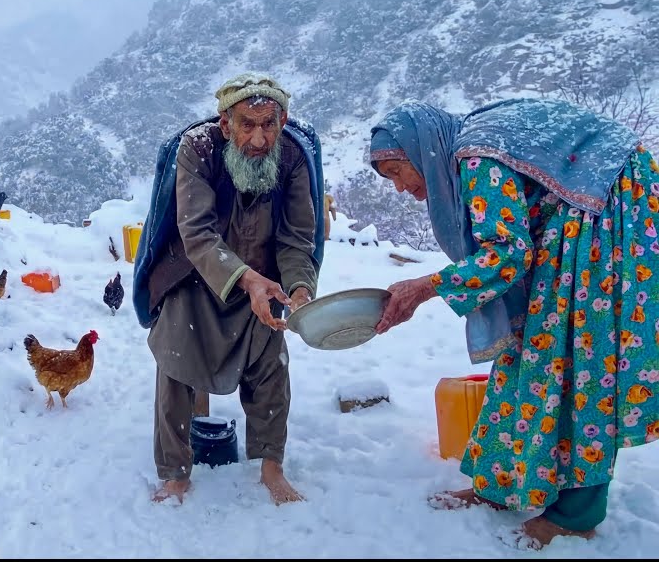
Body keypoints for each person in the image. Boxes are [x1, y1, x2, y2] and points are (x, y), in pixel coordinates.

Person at [368, 99, 659, 550]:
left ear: (420, 150)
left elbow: (507, 252)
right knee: (527, 348)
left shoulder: (475, 157)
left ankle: (576, 513)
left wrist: (424, 287)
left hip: (609, 211)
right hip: (583, 210)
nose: (401, 188)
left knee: (580, 356)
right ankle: (503, 482)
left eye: (397, 172)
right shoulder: (469, 148)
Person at [146, 72, 317, 506]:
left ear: (283, 122)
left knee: (272, 365)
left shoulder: (293, 157)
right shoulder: (198, 150)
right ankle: (175, 473)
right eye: (247, 125)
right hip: (196, 272)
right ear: (226, 124)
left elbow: (297, 238)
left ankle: (272, 467)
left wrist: (298, 289)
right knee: (176, 361)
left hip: (264, 278)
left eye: (269, 125)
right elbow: (198, 234)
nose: (259, 139)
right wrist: (245, 278)